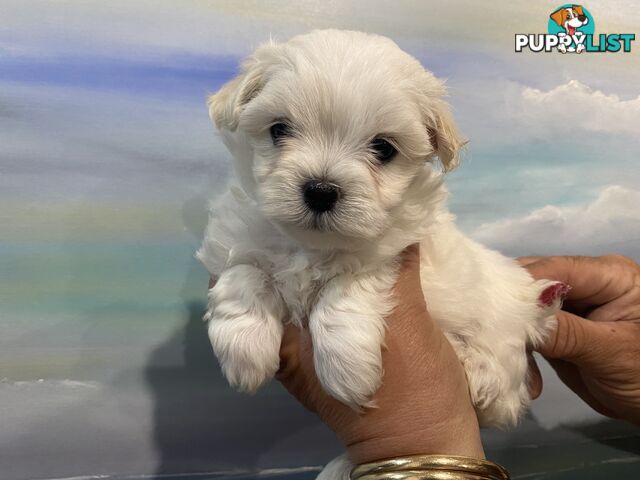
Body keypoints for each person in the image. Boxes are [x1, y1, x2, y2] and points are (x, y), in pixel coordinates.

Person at [209, 247, 640, 475]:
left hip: (483, 364)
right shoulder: (243, 229)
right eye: (282, 132)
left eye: (381, 148)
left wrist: (413, 448)